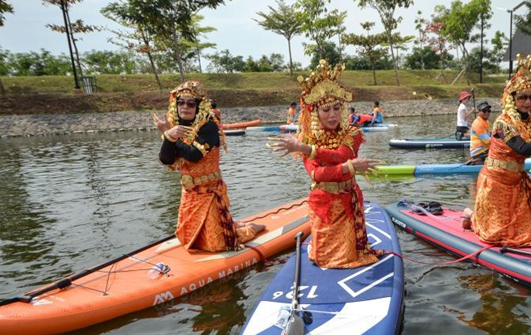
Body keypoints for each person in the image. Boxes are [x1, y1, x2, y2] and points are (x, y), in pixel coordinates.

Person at [268, 60, 382, 268]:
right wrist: (351, 167)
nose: (332, 115)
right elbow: (317, 175)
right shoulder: (306, 137)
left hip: (348, 198)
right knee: (324, 260)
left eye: (337, 108)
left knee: (350, 257)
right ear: (315, 113)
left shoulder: (352, 133)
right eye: (326, 110)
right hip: (323, 202)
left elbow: (342, 154)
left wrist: (306, 150)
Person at [463, 54, 531, 248]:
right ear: (513, 98)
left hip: (517, 181)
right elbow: (523, 148)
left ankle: (476, 214)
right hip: (496, 180)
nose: (528, 102)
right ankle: (471, 215)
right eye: (523, 97)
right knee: (494, 236)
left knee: (528, 236)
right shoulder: (503, 122)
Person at [152, 80, 264, 253]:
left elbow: (193, 155)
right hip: (189, 193)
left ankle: (250, 229)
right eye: (180, 102)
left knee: (218, 244)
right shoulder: (175, 128)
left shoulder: (208, 126)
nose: (185, 107)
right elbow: (166, 160)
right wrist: (168, 136)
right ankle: (231, 222)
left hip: (209, 191)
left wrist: (169, 136)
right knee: (187, 239)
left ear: (198, 106)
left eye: (191, 103)